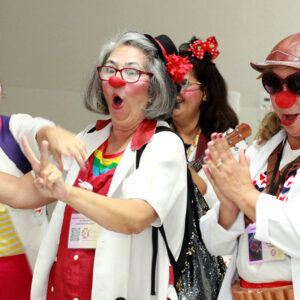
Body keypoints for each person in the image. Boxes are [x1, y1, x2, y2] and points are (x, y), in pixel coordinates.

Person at [8, 31, 190, 300]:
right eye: (110, 70)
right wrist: (48, 183)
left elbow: (134, 218)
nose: (117, 80)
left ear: (153, 91)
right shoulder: (89, 138)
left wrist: (67, 193)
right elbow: (23, 193)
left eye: (131, 73)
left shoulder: (163, 145)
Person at [201, 32, 300, 299]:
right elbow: (213, 242)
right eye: (272, 83)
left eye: (296, 83)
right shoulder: (259, 154)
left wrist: (245, 195)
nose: (283, 98)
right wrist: (230, 208)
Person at [0, 83, 86, 300]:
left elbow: (36, 128)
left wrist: (52, 132)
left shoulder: (11, 129)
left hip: (22, 268)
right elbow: (20, 193)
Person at [170, 36, 239, 205]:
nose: (176, 92)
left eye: (184, 83)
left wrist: (200, 186)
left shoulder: (227, 142)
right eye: (171, 84)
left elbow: (233, 208)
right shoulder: (152, 135)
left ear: (205, 93)